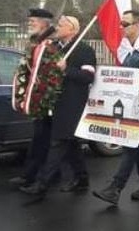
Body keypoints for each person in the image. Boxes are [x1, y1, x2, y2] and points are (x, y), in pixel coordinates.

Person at [20, 16, 97, 195]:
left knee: (58, 142)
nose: (57, 28)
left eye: (61, 25)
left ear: (72, 30)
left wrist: (66, 69)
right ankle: (82, 179)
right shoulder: (55, 48)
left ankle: (42, 184)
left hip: (72, 103)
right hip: (54, 102)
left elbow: (88, 77)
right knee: (71, 143)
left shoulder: (84, 50)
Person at [92, 10, 139, 205]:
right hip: (128, 102)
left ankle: (115, 188)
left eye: (125, 24)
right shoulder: (125, 47)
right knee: (135, 143)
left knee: (130, 143)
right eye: (121, 23)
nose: (121, 27)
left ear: (137, 25)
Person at [9, 8, 57, 187]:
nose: (30, 24)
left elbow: (51, 73)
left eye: (33, 21)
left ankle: (38, 177)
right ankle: (34, 175)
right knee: (40, 139)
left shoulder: (50, 44)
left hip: (46, 100)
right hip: (37, 98)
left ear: (44, 23)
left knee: (43, 140)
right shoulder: (36, 42)